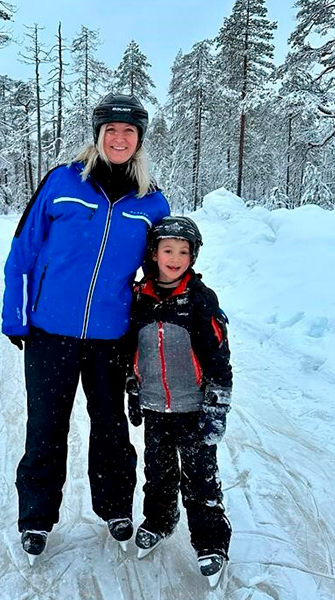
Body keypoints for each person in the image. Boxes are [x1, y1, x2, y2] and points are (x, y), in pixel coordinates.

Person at [1, 93, 170, 563]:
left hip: (109, 338)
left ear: (139, 141)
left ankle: (116, 507)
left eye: (129, 132)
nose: (119, 138)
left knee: (112, 427)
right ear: (97, 135)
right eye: (111, 130)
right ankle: (36, 518)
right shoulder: (62, 183)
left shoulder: (150, 202)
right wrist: (15, 314)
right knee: (46, 427)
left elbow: (159, 273)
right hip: (50, 333)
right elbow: (23, 249)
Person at [126, 216, 233, 586]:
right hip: (156, 407)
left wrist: (216, 406)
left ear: (193, 256)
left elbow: (219, 358)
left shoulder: (200, 300)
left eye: (183, 251)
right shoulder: (139, 298)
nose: (175, 257)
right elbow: (131, 352)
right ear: (153, 254)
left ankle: (211, 544)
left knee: (200, 480)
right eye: (167, 249)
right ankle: (159, 520)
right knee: (157, 473)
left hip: (193, 409)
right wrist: (134, 389)